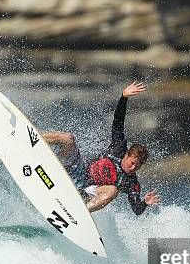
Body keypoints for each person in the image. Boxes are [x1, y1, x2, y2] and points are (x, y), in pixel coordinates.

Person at [42, 81, 161, 215]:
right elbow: (118, 122)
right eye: (132, 163)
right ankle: (33, 138)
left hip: (85, 193)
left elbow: (136, 209)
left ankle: (79, 213)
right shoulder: (118, 148)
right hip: (76, 170)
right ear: (126, 155)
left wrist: (144, 202)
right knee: (67, 138)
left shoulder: (131, 183)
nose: (133, 168)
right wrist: (124, 97)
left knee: (113, 191)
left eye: (137, 167)